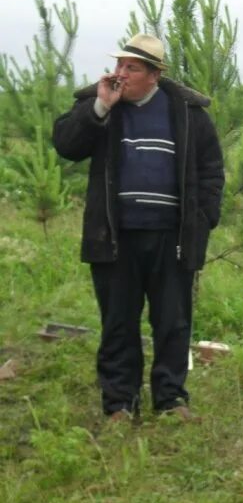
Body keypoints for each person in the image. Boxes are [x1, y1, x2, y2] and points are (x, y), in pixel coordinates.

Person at [52, 34, 225, 423]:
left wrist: (202, 220)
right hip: (116, 237)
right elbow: (66, 144)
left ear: (154, 75)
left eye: (132, 67)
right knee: (118, 323)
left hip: (172, 238)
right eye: (119, 65)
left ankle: (170, 400)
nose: (120, 74)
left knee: (173, 322)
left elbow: (212, 171)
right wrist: (99, 106)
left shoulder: (187, 113)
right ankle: (119, 404)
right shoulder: (100, 107)